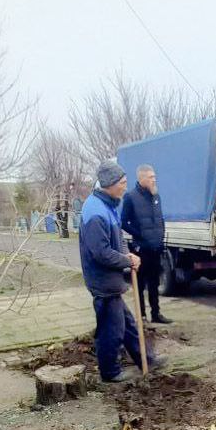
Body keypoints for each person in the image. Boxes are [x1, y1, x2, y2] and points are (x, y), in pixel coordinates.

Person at [79, 160, 164, 382]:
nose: (125, 186)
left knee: (127, 325)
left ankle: (147, 359)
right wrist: (126, 260)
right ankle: (110, 372)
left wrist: (129, 255)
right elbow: (101, 252)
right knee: (112, 329)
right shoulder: (95, 212)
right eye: (123, 183)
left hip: (110, 279)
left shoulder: (107, 205)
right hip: (102, 280)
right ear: (110, 184)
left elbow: (117, 238)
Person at [121, 164, 172, 324]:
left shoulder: (156, 196)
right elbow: (123, 221)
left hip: (156, 248)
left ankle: (156, 314)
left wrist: (161, 234)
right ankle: (142, 316)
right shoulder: (131, 197)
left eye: (154, 177)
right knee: (140, 283)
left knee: (154, 282)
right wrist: (139, 234)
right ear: (141, 178)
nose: (154, 180)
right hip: (141, 249)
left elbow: (160, 218)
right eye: (151, 177)